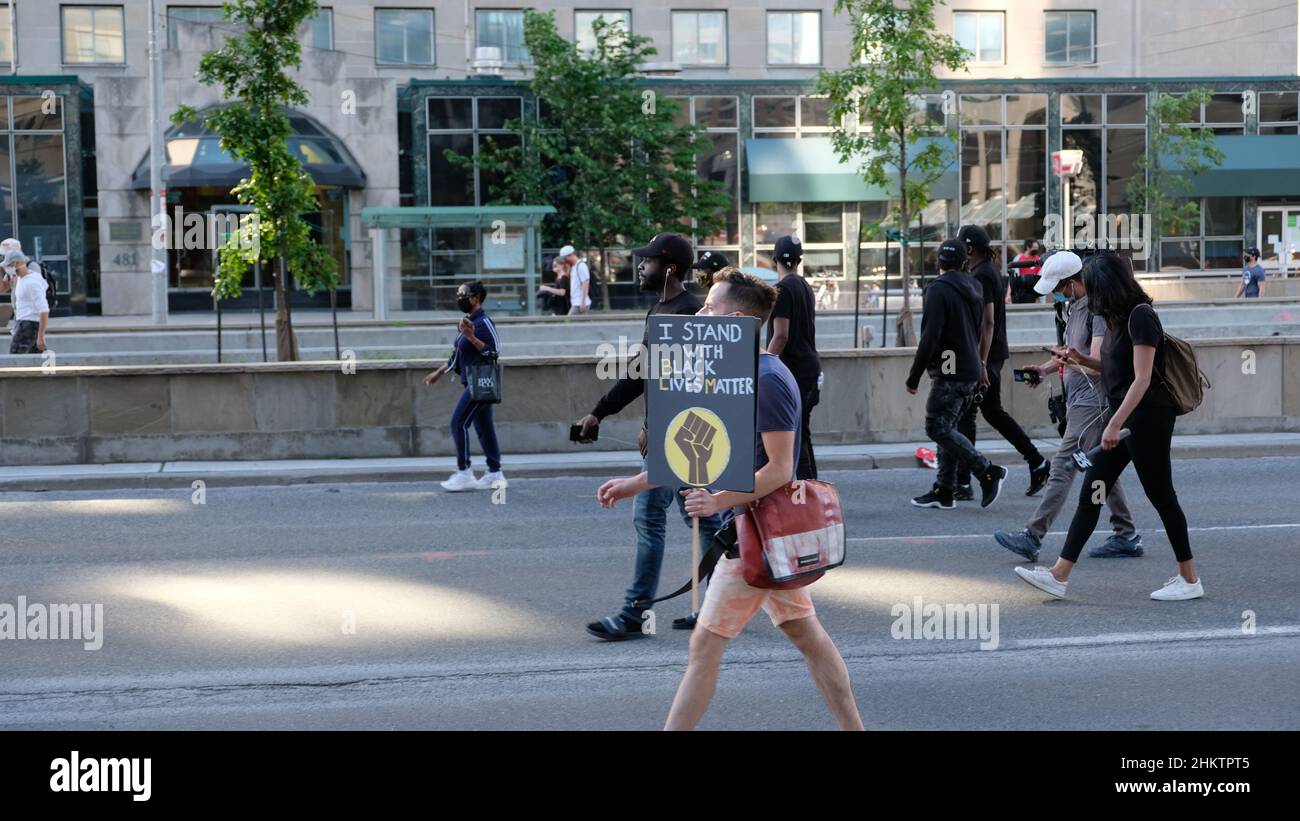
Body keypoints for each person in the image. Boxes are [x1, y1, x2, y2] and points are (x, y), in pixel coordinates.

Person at [597, 268, 864, 731]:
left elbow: (780, 469)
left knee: (703, 649)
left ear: (736, 318)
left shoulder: (768, 379)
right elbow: (702, 452)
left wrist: (718, 501)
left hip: (754, 537)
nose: (699, 313)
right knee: (808, 638)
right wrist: (636, 482)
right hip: (760, 536)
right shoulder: (735, 372)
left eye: (709, 307)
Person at [1014, 252, 1203, 601]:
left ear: (1110, 287)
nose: (1090, 297)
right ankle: (1058, 575)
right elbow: (1115, 371)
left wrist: (1114, 424)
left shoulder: (1141, 318)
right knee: (1093, 493)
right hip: (1125, 418)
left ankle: (1189, 579)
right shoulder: (1115, 319)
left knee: (1162, 497)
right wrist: (1081, 359)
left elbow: (1143, 379)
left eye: (1095, 289)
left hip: (1146, 420)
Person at [575, 232, 723, 640]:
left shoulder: (692, 311)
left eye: (647, 261)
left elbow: (695, 381)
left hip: (686, 434)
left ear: (669, 267)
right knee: (697, 516)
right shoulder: (659, 309)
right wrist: (599, 412)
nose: (639, 266)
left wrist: (657, 426)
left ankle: (636, 613)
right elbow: (645, 372)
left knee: (674, 516)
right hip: (668, 432)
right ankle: (714, 605)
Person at [993, 250, 1143, 560]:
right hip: (1080, 402)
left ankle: (1033, 536)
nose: (1056, 297)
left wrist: (1071, 361)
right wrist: (1045, 368)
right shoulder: (1075, 308)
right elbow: (1071, 352)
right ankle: (1127, 534)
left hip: (1092, 403)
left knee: (1063, 467)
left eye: (1059, 289)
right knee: (1101, 469)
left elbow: (1098, 363)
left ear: (1074, 282)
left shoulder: (1097, 312)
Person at [906, 239, 1008, 510]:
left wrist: (914, 376)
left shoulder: (937, 289)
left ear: (939, 262)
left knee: (936, 427)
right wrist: (981, 364)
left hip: (950, 370)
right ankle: (944, 489)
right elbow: (984, 326)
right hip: (970, 367)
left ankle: (987, 471)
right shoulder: (974, 285)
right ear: (964, 262)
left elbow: (930, 336)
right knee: (947, 427)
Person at [954, 225, 1050, 499]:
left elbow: (987, 321)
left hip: (986, 356)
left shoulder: (983, 276)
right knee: (992, 413)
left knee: (965, 416)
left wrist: (981, 364)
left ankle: (964, 480)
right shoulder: (987, 272)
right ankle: (1037, 462)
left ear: (970, 249)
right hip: (992, 354)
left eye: (962, 247)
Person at [423, 281, 505, 492]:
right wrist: (439, 373)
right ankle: (495, 474)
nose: (459, 298)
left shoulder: (484, 322)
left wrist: (471, 337)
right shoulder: (467, 322)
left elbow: (494, 353)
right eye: (458, 294)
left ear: (476, 297)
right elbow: (456, 356)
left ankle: (464, 472)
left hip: (482, 381)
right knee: (484, 428)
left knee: (458, 423)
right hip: (473, 381)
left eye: (463, 295)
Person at [765, 235, 822, 480]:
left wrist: (764, 363)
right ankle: (811, 491)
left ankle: (808, 494)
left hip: (794, 371)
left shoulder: (781, 290)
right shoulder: (804, 286)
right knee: (802, 435)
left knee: (794, 437)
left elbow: (781, 336)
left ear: (774, 259)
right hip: (809, 368)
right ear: (799, 260)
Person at [0, 250, 48, 354]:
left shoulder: (31, 282)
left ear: (16, 263)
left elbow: (44, 310)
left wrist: (41, 336)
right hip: (26, 323)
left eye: (8, 265)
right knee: (35, 359)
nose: (6, 269)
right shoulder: (23, 278)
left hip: (28, 324)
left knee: (14, 359)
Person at [1009, 239, 1043, 304]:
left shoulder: (1038, 260)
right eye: (1034, 248)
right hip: (1019, 290)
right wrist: (1009, 294)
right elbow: (1012, 278)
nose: (1036, 250)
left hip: (1031, 291)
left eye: (1037, 248)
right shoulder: (1018, 258)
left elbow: (1041, 278)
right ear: (1028, 247)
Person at [560, 244, 591, 315]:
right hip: (577, 302)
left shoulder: (581, 266)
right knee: (578, 325)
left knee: (568, 323)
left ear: (570, 255)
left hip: (579, 303)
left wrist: (583, 302)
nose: (565, 260)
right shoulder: (574, 266)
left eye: (565, 258)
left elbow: (585, 284)